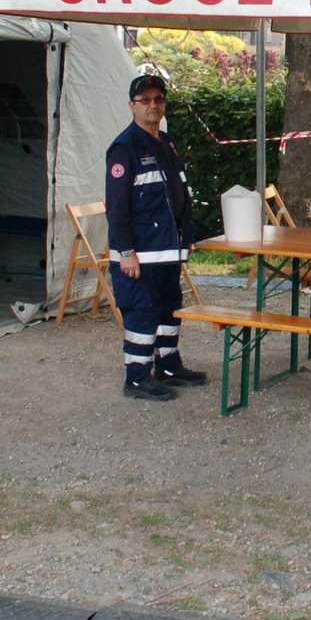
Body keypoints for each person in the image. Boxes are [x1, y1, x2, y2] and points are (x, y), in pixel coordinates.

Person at [106, 74, 208, 401]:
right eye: (145, 100)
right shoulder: (125, 148)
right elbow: (117, 207)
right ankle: (137, 378)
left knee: (168, 308)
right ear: (132, 106)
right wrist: (125, 252)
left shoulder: (167, 143)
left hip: (168, 250)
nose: (153, 105)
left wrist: (186, 235)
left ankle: (167, 365)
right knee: (142, 312)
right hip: (140, 255)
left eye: (158, 99)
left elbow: (180, 194)